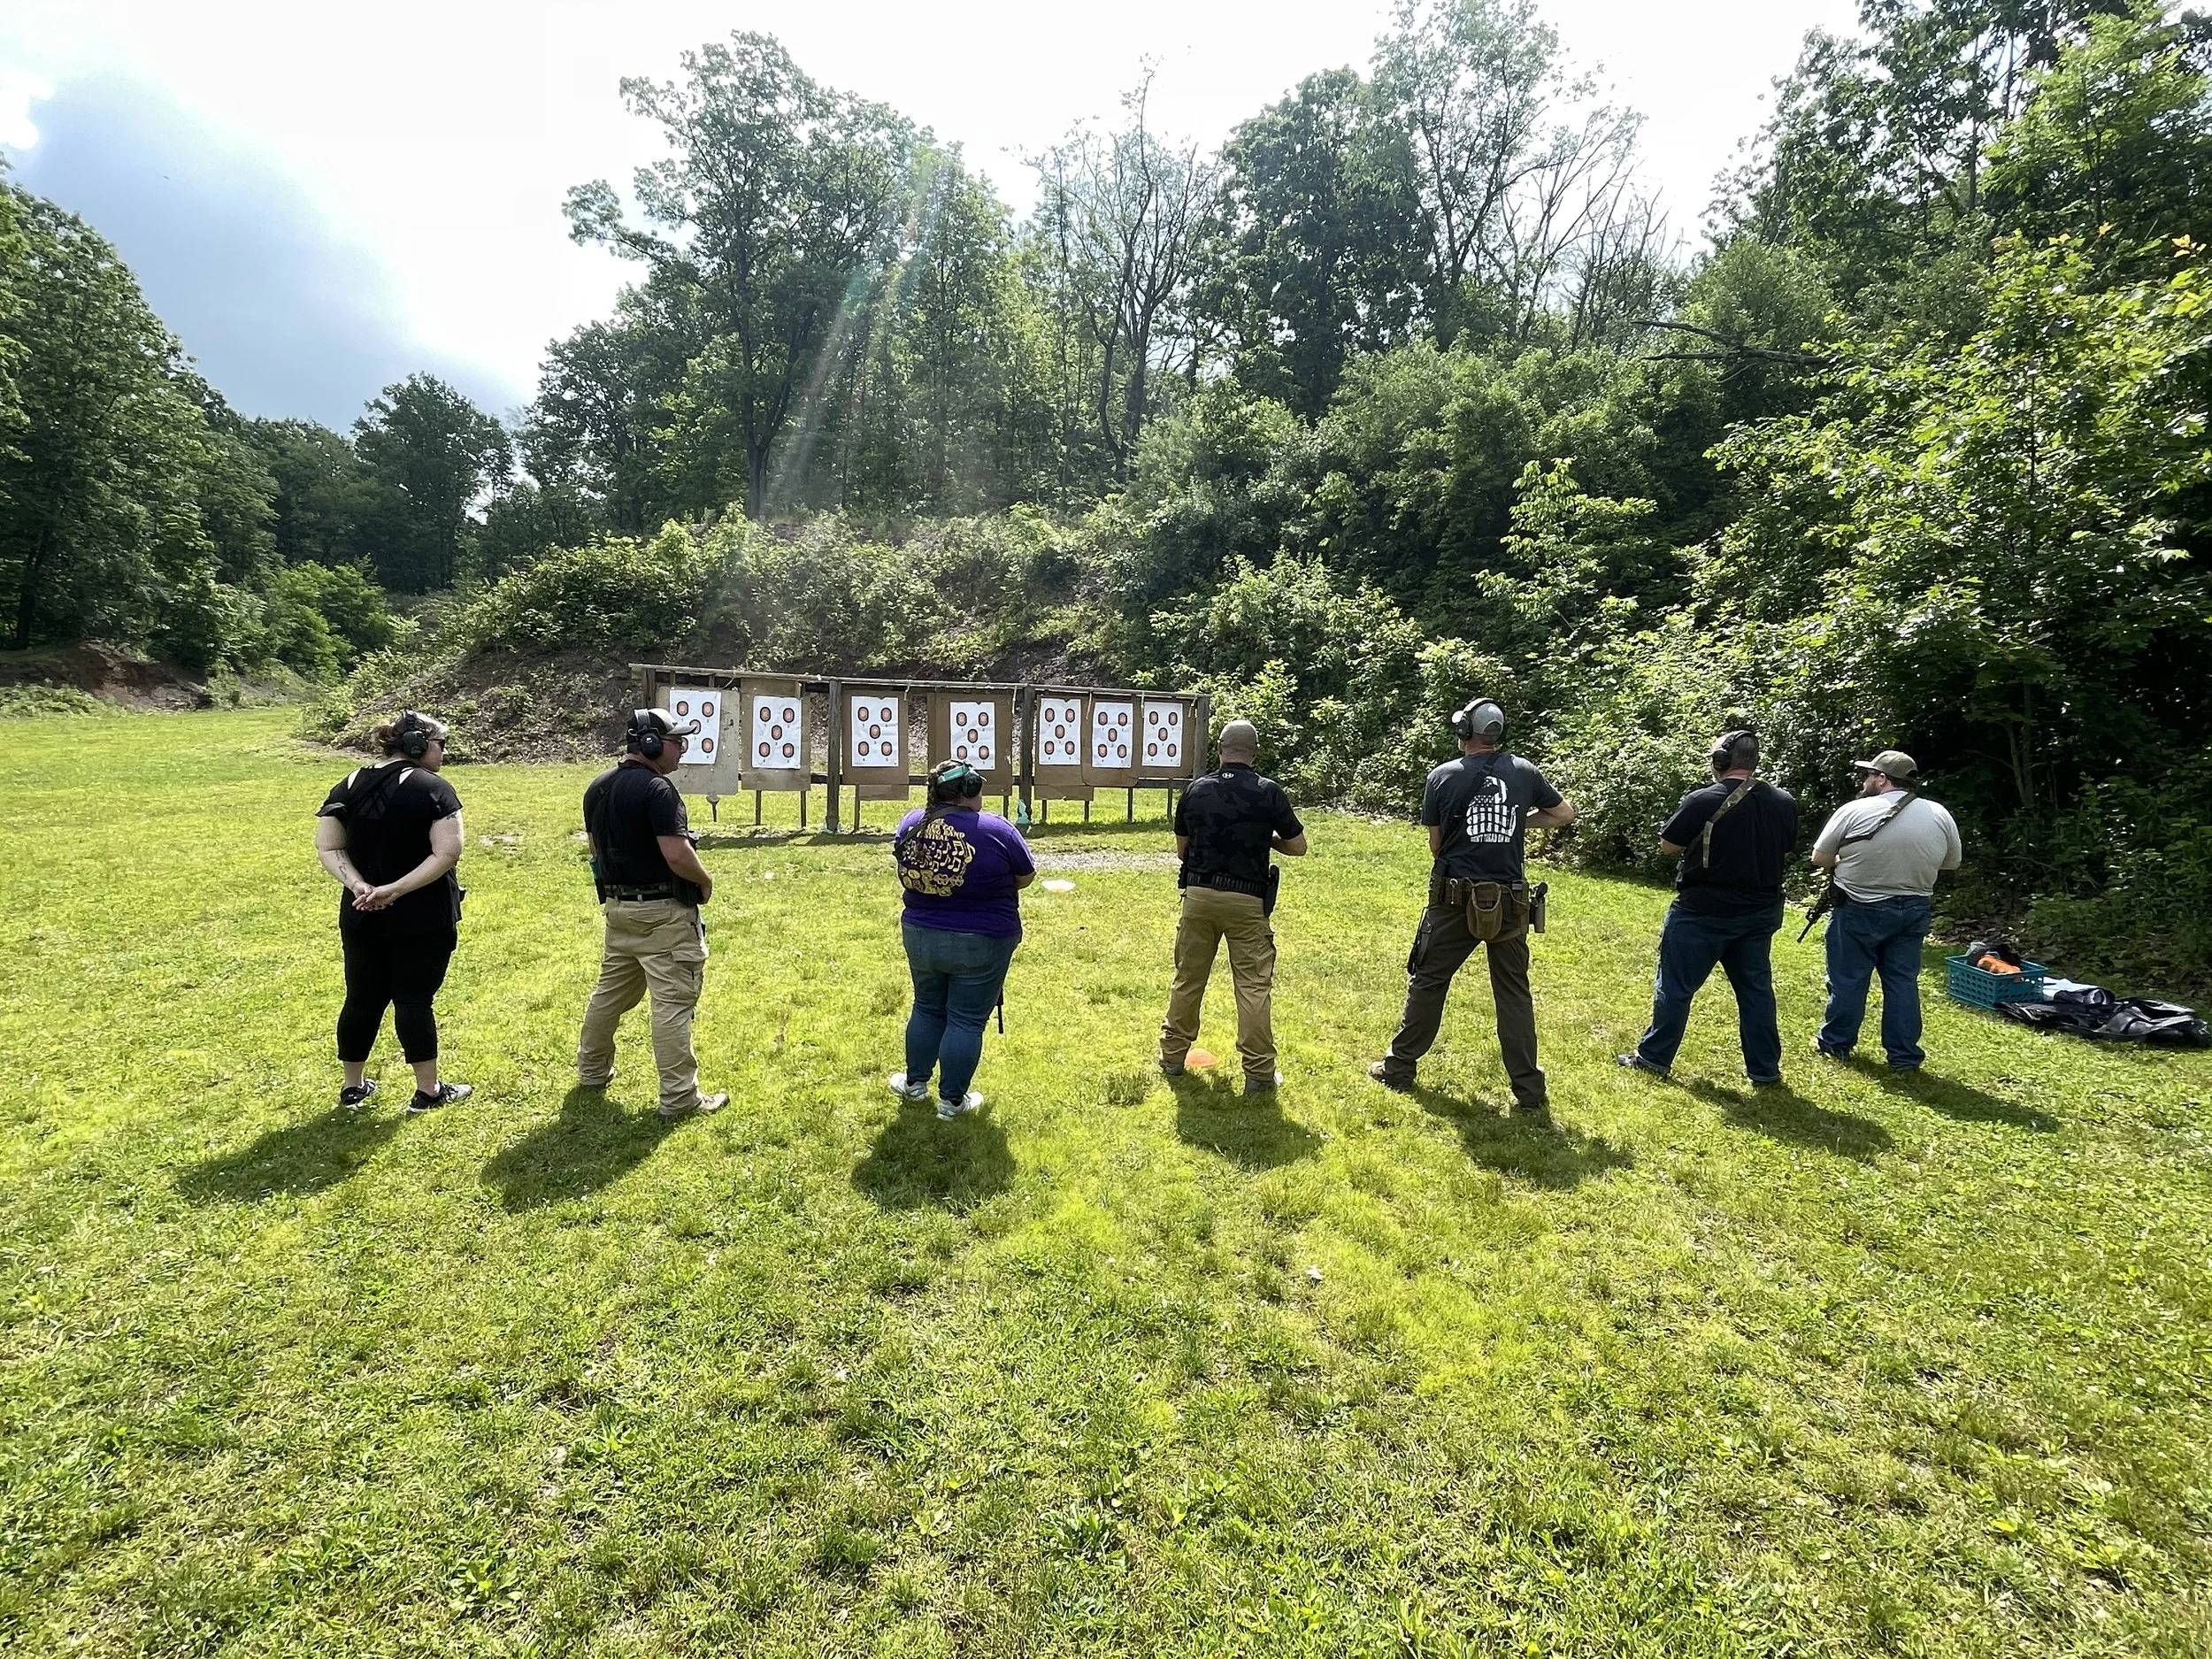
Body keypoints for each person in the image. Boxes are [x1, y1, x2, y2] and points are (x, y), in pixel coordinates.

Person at [1369, 698, 1573, 1112]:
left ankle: (1400, 1068)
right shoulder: (1524, 771)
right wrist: (1519, 821)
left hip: (1454, 900)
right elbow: (1563, 813)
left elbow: (1436, 845)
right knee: (1514, 995)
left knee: (1429, 981)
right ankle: (1529, 1094)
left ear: (1464, 733)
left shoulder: (1442, 776)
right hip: (1511, 901)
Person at [1617, 728, 1799, 1085]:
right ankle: (1764, 1071)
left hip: (1702, 912)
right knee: (1756, 992)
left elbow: (1668, 845)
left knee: (1675, 987)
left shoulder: (1704, 799)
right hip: (1760, 913)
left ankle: (1654, 1058)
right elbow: (1787, 847)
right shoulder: (1784, 801)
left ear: (1720, 762)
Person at [314, 710, 472, 1113]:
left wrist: (360, 886)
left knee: (361, 998)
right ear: (420, 745)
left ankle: (353, 1087)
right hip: (421, 915)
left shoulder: (347, 784)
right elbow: (448, 852)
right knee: (414, 999)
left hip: (361, 912)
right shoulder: (434, 789)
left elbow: (329, 846)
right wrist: (396, 890)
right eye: (441, 744)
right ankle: (428, 1091)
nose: (443, 752)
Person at [576, 709, 728, 1120]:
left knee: (609, 996)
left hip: (620, 911)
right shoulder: (659, 790)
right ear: (650, 744)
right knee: (673, 1004)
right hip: (664, 913)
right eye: (677, 741)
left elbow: (595, 850)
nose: (683, 748)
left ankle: (591, 1072)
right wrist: (705, 880)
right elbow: (677, 853)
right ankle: (680, 1098)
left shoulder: (598, 788)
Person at [1159, 719, 1308, 1094]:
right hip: (1247, 901)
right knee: (1253, 987)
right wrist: (1266, 839)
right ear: (1255, 752)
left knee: (1188, 979)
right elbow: (1298, 846)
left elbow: (1182, 851)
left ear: (1220, 749)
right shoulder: (1269, 792)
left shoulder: (1196, 790)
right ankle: (1258, 1073)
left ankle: (1173, 1057)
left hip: (1199, 896)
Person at [888, 760, 1036, 1119]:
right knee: (966, 1020)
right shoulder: (996, 830)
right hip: (982, 939)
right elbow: (1026, 875)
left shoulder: (912, 823)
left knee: (926, 1007)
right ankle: (952, 1102)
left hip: (921, 934)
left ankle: (915, 1084)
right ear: (969, 790)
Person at [1809, 749, 1962, 1071]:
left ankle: (1836, 1043)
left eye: (1868, 775)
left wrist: (1845, 863)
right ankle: (1904, 1057)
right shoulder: (1939, 813)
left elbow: (1820, 858)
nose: (1864, 781)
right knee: (1902, 981)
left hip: (1858, 906)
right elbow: (1951, 863)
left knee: (1848, 979)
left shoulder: (1854, 810)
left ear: (1881, 779)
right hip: (1915, 907)